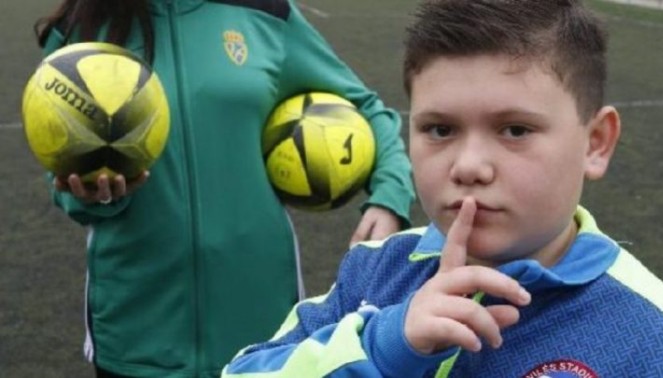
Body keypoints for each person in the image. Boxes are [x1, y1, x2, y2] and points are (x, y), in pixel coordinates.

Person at [221, 0, 663, 376]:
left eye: (515, 130)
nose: (468, 166)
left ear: (596, 142)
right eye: (440, 129)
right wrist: (381, 349)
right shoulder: (374, 272)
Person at [33, 0, 415, 377]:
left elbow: (364, 106)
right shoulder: (80, 29)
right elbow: (67, 184)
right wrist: (96, 197)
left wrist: (389, 196)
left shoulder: (264, 12)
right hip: (137, 332)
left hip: (262, 324)